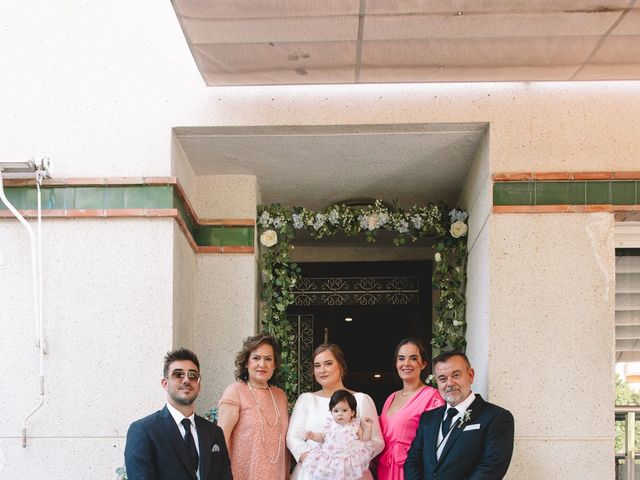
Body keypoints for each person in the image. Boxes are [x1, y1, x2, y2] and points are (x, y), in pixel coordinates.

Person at [124, 348, 232, 480]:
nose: (186, 380)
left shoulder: (214, 432)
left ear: (199, 385)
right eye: (178, 374)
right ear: (165, 383)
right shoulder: (143, 431)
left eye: (193, 375)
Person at [404, 351, 514, 480]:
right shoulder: (428, 419)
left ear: (471, 375)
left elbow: (491, 468)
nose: (449, 383)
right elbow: (412, 463)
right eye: (442, 378)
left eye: (456, 375)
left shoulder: (497, 417)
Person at [287, 343, 384, 480]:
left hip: (352, 475)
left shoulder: (361, 399)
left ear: (341, 366)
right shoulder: (306, 399)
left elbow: (377, 441)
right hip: (312, 473)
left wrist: (351, 461)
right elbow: (293, 437)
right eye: (317, 366)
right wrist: (313, 460)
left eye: (328, 364)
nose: (322, 370)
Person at [217, 333, 289, 480]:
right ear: (246, 362)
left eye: (268, 359)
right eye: (256, 358)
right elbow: (220, 439)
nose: (262, 364)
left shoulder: (280, 396)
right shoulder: (235, 391)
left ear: (274, 365)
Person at [377, 338, 444, 480]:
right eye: (401, 358)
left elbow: (436, 443)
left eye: (413, 358)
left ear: (424, 363)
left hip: (411, 471)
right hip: (384, 469)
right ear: (396, 363)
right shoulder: (390, 398)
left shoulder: (432, 397)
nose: (406, 363)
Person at [303, 389, 374, 479]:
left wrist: (368, 427)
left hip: (350, 458)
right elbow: (323, 437)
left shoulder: (354, 424)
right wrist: (313, 436)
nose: (340, 414)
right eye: (336, 411)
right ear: (331, 412)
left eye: (344, 410)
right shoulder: (330, 425)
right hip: (332, 458)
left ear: (352, 412)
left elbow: (364, 438)